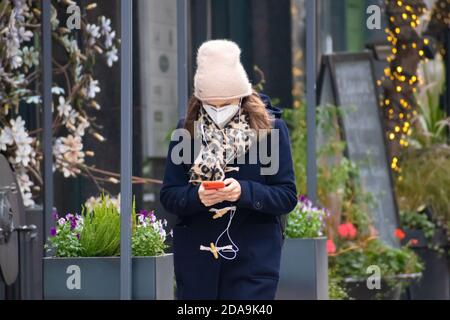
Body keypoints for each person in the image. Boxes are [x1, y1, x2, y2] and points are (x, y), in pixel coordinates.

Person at [160, 39, 297, 300]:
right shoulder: (187, 130)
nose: (218, 111)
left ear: (241, 97)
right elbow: (169, 195)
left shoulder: (271, 130)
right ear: (200, 100)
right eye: (211, 105)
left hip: (253, 264)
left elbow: (287, 195)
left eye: (226, 104)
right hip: (198, 267)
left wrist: (243, 192)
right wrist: (197, 197)